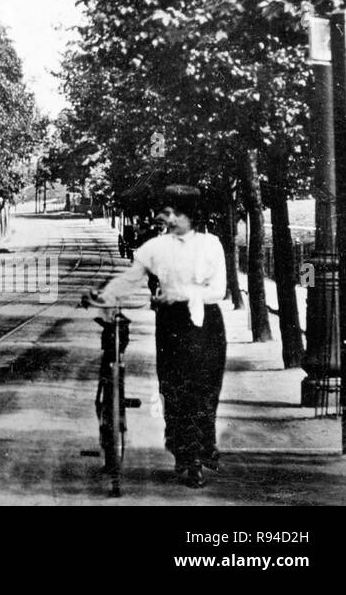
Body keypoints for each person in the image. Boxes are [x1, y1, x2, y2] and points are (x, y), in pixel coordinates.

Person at [85, 184, 226, 488]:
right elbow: (131, 276)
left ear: (191, 216)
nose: (169, 218)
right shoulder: (156, 247)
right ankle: (183, 453)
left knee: (203, 390)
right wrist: (105, 295)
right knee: (173, 389)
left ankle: (199, 456)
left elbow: (218, 290)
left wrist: (176, 293)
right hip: (172, 325)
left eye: (176, 213)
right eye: (167, 213)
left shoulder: (212, 245)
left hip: (206, 324)